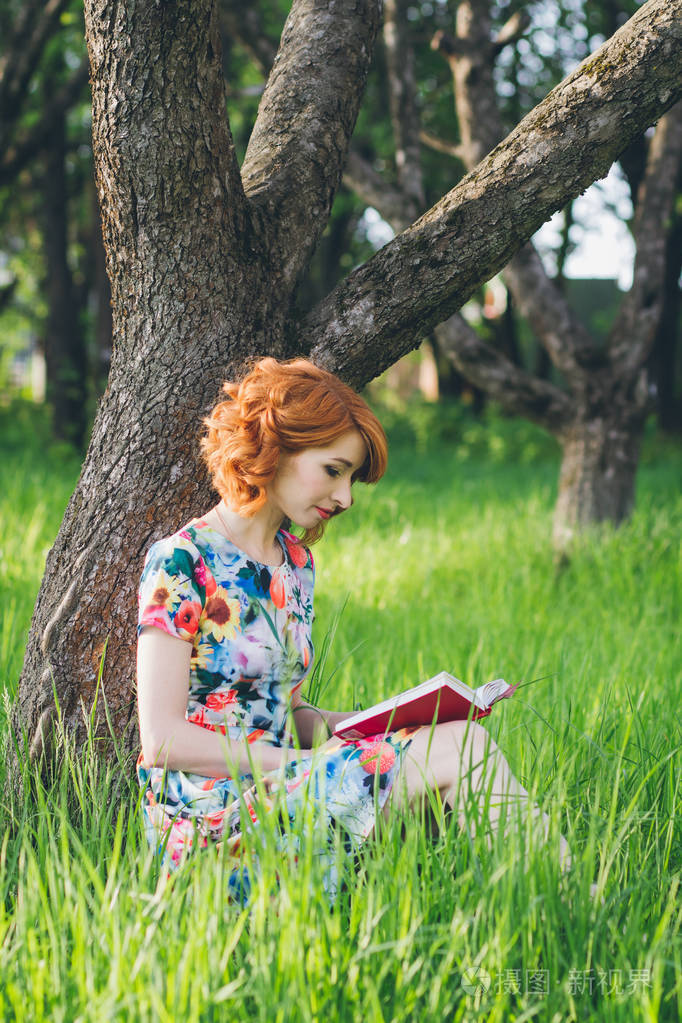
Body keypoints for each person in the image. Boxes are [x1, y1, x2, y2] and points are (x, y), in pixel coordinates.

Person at [136, 356, 569, 900]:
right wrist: (303, 762)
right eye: (334, 470)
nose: (345, 498)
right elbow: (161, 739)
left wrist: (385, 723)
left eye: (351, 478)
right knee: (462, 749)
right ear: (277, 445)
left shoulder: (294, 565)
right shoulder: (182, 561)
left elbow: (283, 714)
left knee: (450, 739)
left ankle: (542, 904)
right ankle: (571, 906)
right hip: (209, 826)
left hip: (284, 789)